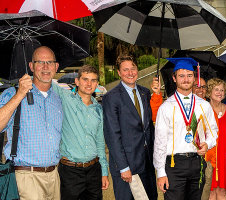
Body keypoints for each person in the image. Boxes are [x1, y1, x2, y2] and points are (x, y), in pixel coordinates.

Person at [0, 46, 62, 199]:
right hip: (27, 178)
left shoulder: (57, 99)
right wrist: (20, 93)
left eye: (50, 62)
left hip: (54, 176)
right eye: (40, 62)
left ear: (56, 66)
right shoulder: (13, 93)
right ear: (31, 66)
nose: (45, 67)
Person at [153, 57, 218, 200]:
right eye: (181, 76)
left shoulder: (204, 105)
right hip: (174, 165)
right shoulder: (166, 107)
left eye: (189, 75)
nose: (186, 79)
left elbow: (213, 132)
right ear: (174, 78)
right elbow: (160, 142)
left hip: (197, 163)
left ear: (195, 78)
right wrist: (160, 172)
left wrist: (208, 143)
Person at [102, 55, 157, 200]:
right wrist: (123, 167)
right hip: (126, 165)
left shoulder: (145, 93)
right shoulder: (111, 97)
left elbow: (148, 127)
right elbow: (112, 135)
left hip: (147, 162)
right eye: (125, 70)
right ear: (119, 73)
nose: (130, 73)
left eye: (133, 68)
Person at [51, 65, 109, 199]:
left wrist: (104, 172)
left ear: (97, 84)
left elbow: (100, 143)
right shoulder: (66, 98)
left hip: (94, 171)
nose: (89, 84)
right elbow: (44, 80)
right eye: (85, 79)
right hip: (70, 172)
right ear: (77, 82)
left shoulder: (98, 110)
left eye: (93, 80)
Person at [205, 78, 226, 200]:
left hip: (225, 156)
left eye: (222, 90)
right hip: (209, 155)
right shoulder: (204, 109)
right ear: (209, 92)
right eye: (216, 89)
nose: (219, 92)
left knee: (222, 192)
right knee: (210, 192)